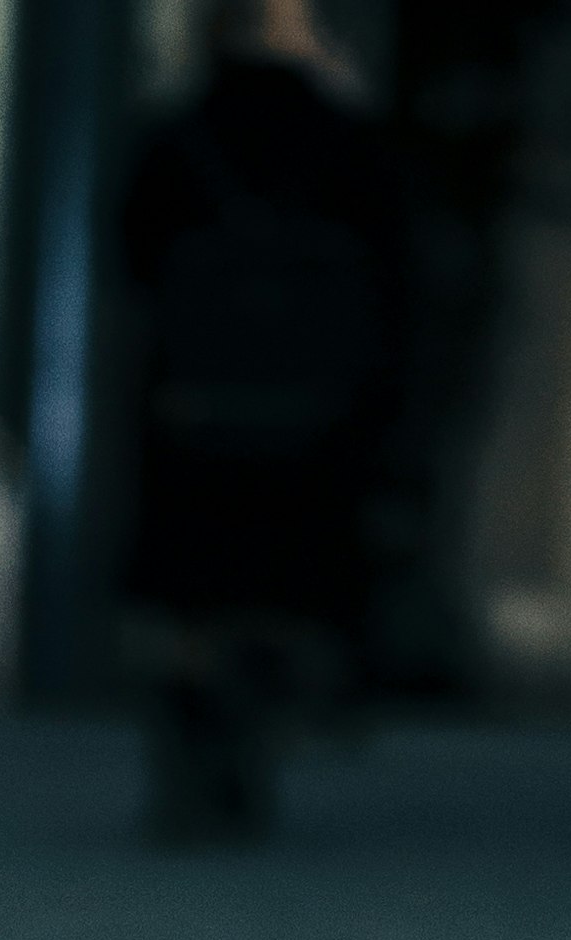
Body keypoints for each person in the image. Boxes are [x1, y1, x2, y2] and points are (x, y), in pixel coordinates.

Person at [112, 0, 412, 846]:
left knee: (192, 597)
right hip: (310, 413)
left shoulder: (176, 137)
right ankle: (254, 745)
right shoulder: (344, 140)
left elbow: (132, 259)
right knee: (277, 585)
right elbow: (394, 280)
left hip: (193, 401)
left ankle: (188, 761)